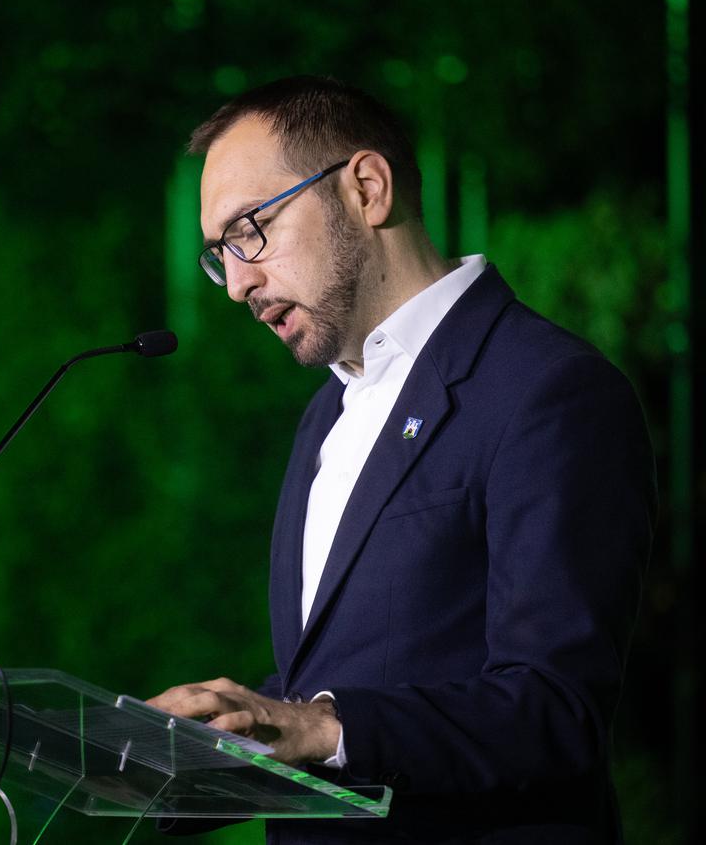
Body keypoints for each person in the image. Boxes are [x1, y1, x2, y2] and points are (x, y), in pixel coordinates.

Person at [148, 76, 657, 843]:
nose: (238, 283)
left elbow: (555, 710)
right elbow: (343, 677)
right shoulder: (324, 416)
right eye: (222, 253)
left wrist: (319, 726)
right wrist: (194, 752)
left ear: (367, 188)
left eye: (250, 229)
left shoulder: (550, 390)